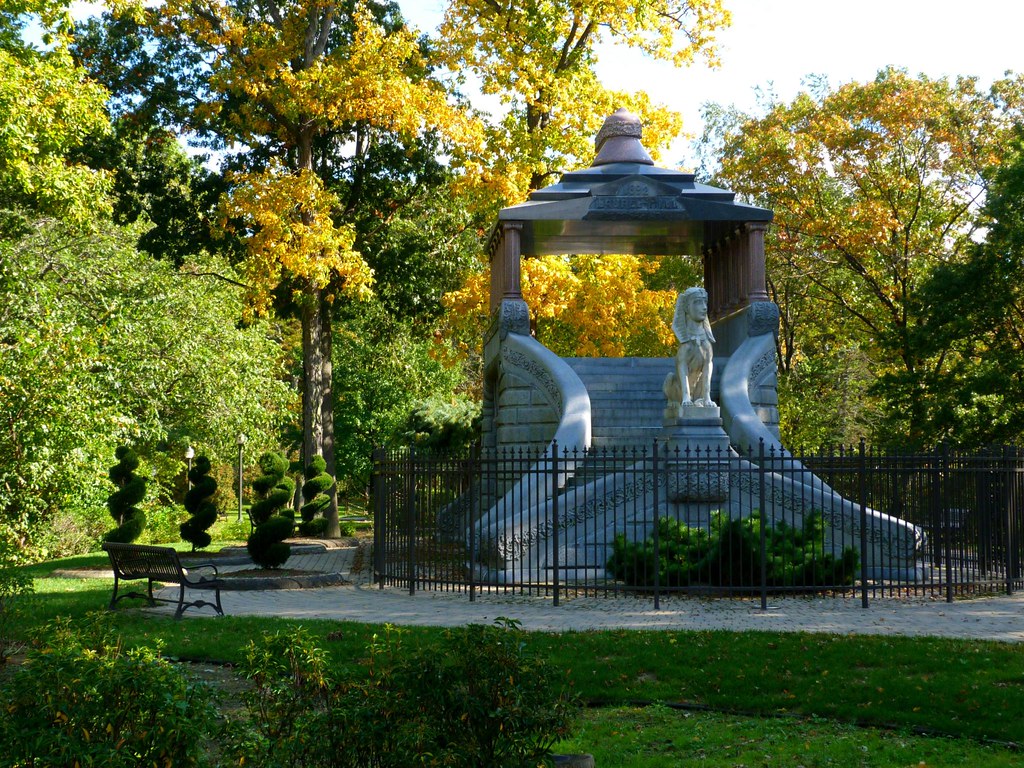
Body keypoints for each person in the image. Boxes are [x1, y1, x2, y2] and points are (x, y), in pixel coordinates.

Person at [668, 287, 716, 408]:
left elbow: (708, 365)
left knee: (707, 364)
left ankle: (704, 398)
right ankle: (683, 397)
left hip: (699, 387)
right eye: (698, 302)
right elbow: (682, 365)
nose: (704, 307)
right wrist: (685, 397)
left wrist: (707, 397)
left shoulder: (706, 341)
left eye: (705, 302)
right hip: (679, 391)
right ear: (686, 307)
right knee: (669, 379)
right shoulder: (685, 343)